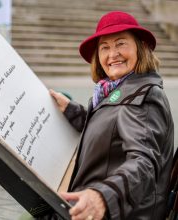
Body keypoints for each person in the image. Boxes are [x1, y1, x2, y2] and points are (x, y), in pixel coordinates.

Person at [48, 11, 174, 220]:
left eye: (121, 43)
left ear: (140, 48)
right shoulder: (121, 89)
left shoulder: (143, 98)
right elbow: (113, 128)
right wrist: (73, 111)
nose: (112, 53)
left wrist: (102, 198)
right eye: (104, 47)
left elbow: (143, 163)